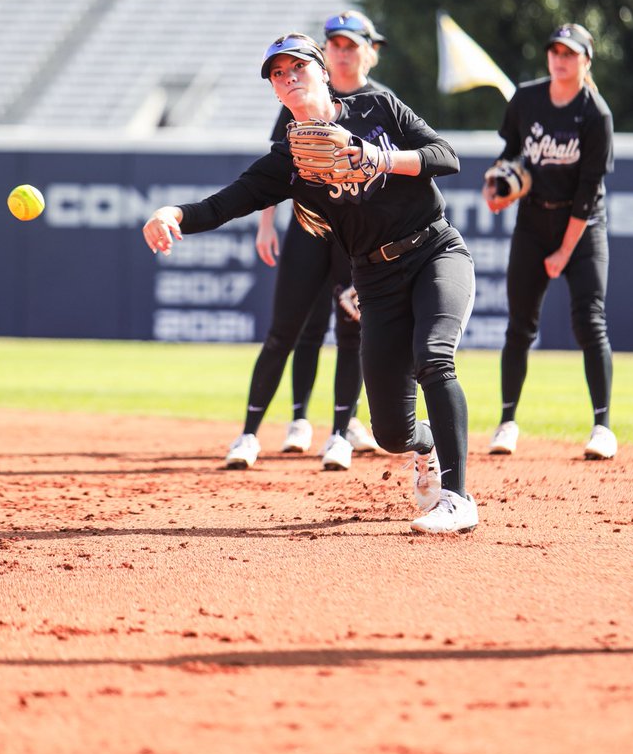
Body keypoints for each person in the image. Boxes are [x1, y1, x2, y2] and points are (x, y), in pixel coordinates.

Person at [144, 32, 478, 535]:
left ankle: (458, 499)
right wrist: (173, 214)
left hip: (435, 250)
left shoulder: (377, 108)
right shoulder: (290, 159)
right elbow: (225, 202)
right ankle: (427, 444)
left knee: (433, 356)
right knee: (391, 431)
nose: (288, 77)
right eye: (277, 74)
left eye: (296, 66)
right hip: (376, 278)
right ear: (276, 92)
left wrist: (377, 157)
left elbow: (446, 156)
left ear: (322, 71)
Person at [240, 10, 389, 474]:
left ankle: (342, 430)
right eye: (335, 45)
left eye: (350, 44)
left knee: (351, 331)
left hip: (354, 239)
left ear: (371, 50)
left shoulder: (379, 104)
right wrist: (266, 224)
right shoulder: (299, 99)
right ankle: (275, 426)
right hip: (308, 227)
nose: (342, 52)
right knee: (292, 329)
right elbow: (274, 167)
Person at [483, 22, 616, 460]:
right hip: (533, 221)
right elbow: (510, 153)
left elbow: (589, 190)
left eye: (570, 53)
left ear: (586, 61)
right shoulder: (527, 99)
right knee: (520, 326)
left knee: (589, 323)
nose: (560, 58)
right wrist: (497, 183)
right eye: (555, 51)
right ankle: (506, 423)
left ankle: (602, 427)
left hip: (583, 227)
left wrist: (564, 251)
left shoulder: (595, 114)